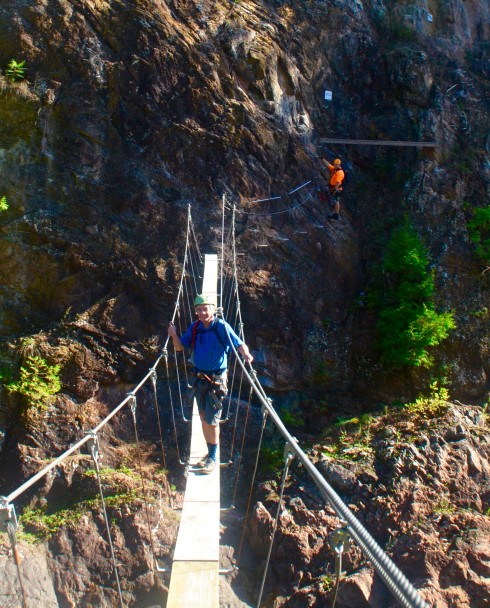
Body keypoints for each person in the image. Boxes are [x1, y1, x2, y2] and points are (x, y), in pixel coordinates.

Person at [168, 293, 254, 474]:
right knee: (203, 416)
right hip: (199, 379)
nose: (201, 312)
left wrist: (246, 355)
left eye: (204, 308)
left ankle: (213, 458)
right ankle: (209, 454)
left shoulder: (221, 326)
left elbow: (239, 343)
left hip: (216, 380)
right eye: (198, 309)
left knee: (212, 420)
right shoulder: (195, 327)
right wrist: (174, 335)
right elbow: (178, 347)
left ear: (212, 310)